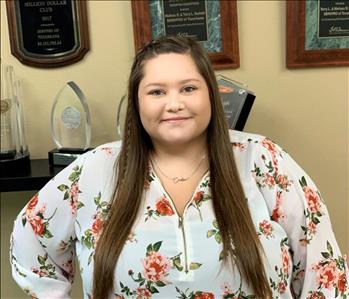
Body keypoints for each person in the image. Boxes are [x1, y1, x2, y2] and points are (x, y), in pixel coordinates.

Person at [10, 36, 348, 299]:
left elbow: (323, 267)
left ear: (211, 95)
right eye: (157, 91)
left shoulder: (264, 160)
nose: (175, 104)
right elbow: (30, 239)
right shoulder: (95, 170)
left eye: (189, 88)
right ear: (137, 102)